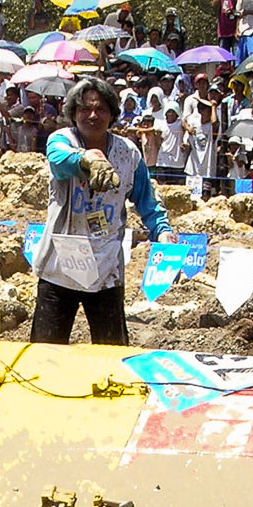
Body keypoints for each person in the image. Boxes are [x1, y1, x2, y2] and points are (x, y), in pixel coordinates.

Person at [30, 77, 177, 345]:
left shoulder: (127, 153)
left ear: (112, 114)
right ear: (74, 113)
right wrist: (87, 158)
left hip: (105, 269)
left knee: (112, 352)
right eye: (85, 109)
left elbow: (146, 198)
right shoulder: (61, 140)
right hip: (58, 267)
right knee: (45, 353)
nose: (92, 115)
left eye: (100, 109)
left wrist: (163, 231)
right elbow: (58, 159)